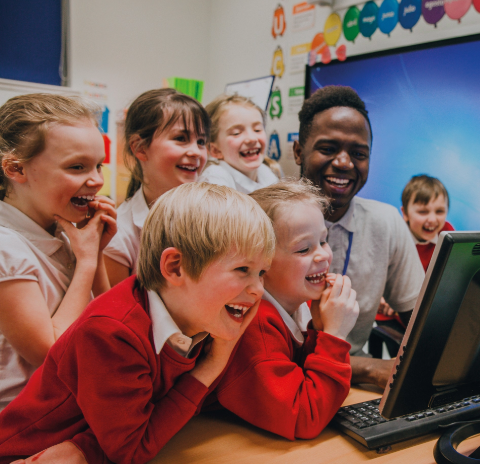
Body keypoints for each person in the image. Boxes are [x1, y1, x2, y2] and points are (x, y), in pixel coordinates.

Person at [0, 182, 275, 464]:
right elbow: (131, 450)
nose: (258, 289)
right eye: (243, 269)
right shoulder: (111, 332)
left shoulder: (203, 313)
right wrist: (213, 365)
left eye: (262, 272)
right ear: (175, 267)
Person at [293, 85, 425, 388]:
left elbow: (422, 323)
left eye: (359, 153)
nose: (344, 162)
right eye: (328, 148)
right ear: (299, 151)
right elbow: (259, 353)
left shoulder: (386, 221)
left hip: (350, 384)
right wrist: (367, 368)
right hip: (283, 379)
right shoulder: (261, 219)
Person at [213, 178, 359, 439]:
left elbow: (305, 381)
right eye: (304, 249)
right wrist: (334, 334)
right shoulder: (254, 325)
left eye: (323, 241)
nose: (324, 255)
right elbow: (304, 419)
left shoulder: (295, 306)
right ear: (261, 263)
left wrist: (319, 328)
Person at [0, 94, 117, 410]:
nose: (96, 181)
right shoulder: (6, 248)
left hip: (65, 404)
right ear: (16, 168)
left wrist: (95, 254)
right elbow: (52, 352)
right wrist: (87, 262)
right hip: (21, 420)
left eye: (98, 165)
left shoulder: (62, 229)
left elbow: (110, 325)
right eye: (77, 167)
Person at [103, 88, 209, 286]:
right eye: (181, 138)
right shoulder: (119, 236)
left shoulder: (215, 213)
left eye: (201, 141)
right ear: (140, 148)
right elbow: (116, 312)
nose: (196, 151)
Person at [199, 94, 279, 193]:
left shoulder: (266, 173)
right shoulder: (214, 180)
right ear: (215, 150)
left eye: (257, 130)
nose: (252, 138)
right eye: (236, 133)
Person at [401, 174, 454, 272]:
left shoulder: (447, 233)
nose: (432, 220)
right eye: (423, 212)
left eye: (439, 211)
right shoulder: (398, 238)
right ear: (405, 213)